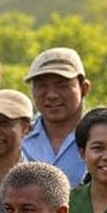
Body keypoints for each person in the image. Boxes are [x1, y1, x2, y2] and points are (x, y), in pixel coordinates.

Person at [22, 47, 91, 186]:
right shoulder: (20, 136)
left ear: (84, 88)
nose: (52, 95)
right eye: (42, 86)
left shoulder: (104, 138)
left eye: (62, 86)